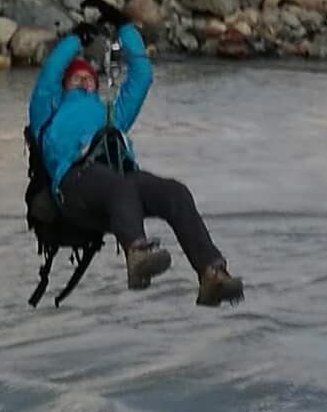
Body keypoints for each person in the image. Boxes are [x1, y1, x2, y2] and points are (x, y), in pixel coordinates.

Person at [28, 16, 244, 305]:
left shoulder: (111, 114)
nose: (84, 79)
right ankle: (137, 255)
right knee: (120, 186)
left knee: (175, 192)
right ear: (64, 84)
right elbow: (49, 73)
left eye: (89, 77)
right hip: (73, 185)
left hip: (119, 185)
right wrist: (76, 39)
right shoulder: (48, 110)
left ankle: (212, 274)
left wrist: (126, 27)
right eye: (76, 77)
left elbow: (142, 76)